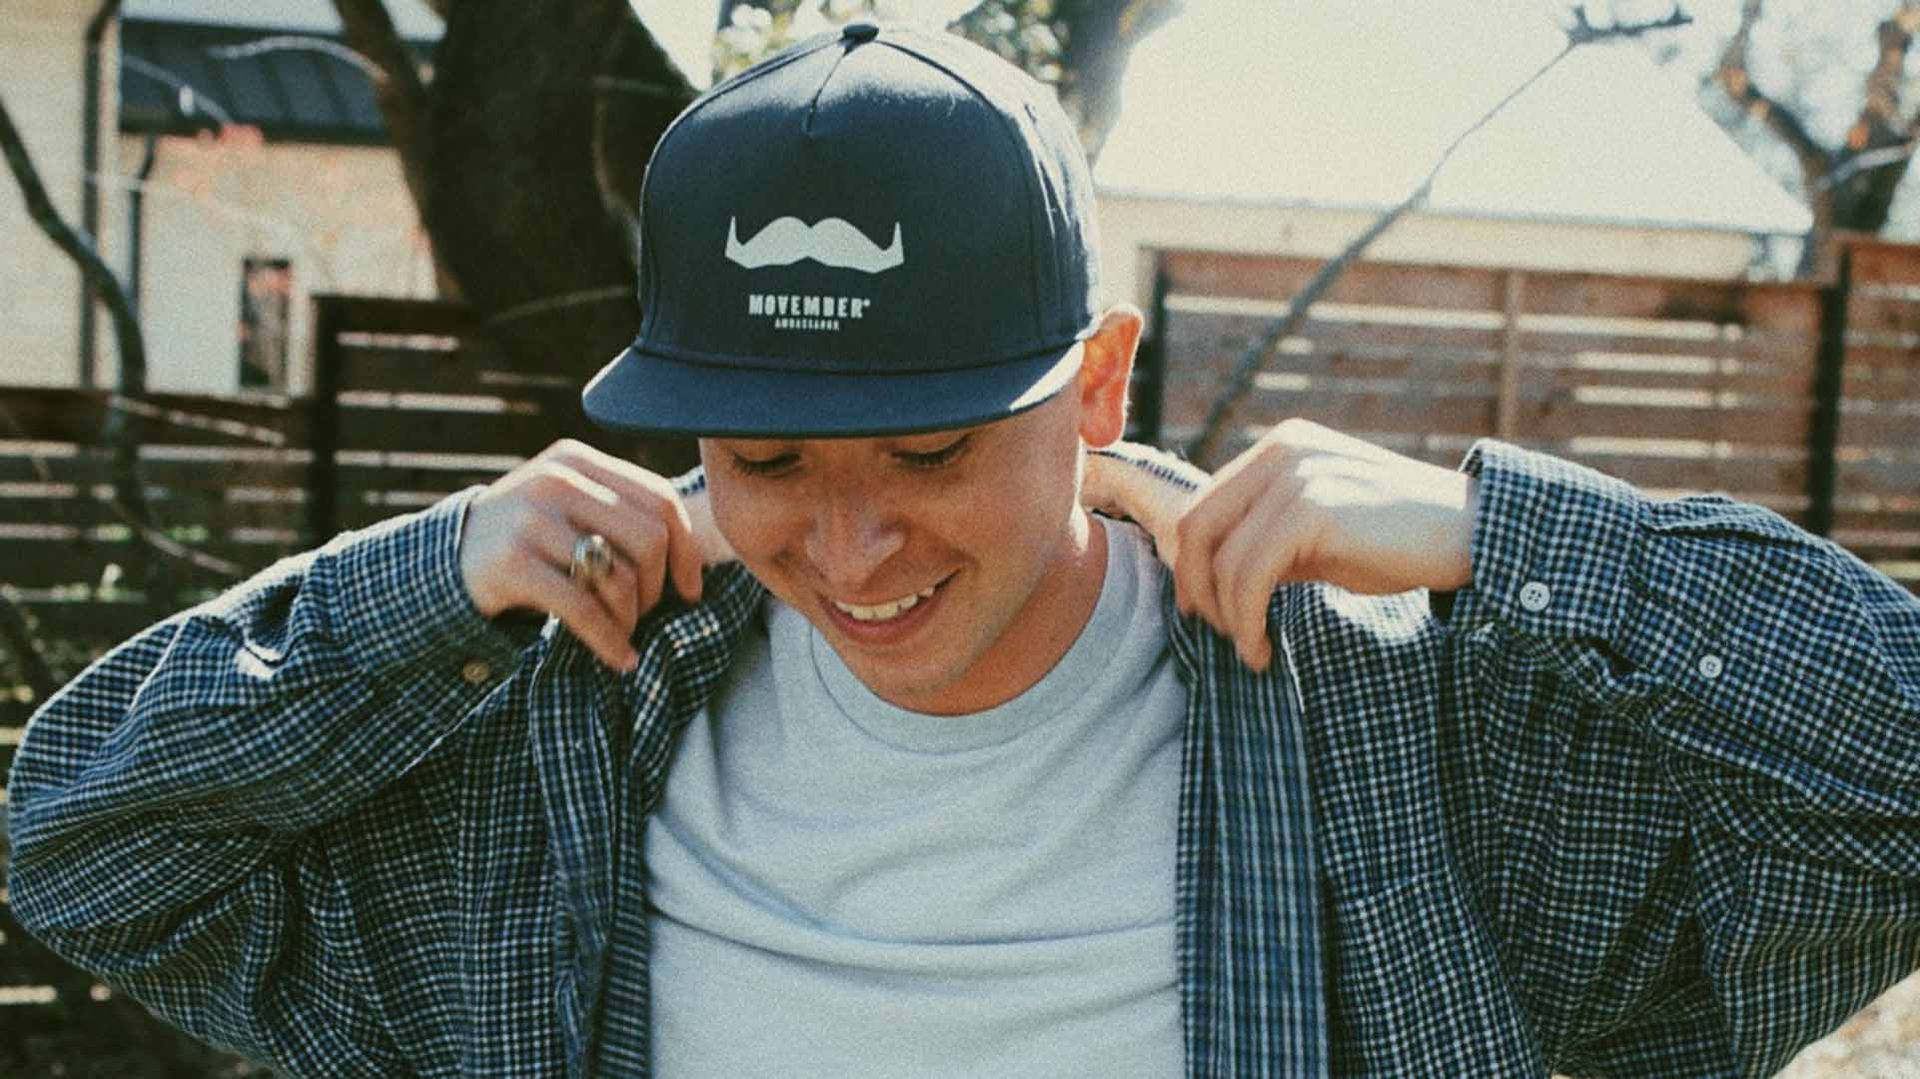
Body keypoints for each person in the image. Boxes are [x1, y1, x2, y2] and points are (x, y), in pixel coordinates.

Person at [9, 19, 1919, 1079]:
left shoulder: (1399, 749)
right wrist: (413, 587)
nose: (845, 542)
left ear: (1100, 387)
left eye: (928, 444)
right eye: (759, 455)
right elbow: (83, 847)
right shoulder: (550, 762)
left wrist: (1510, 540)